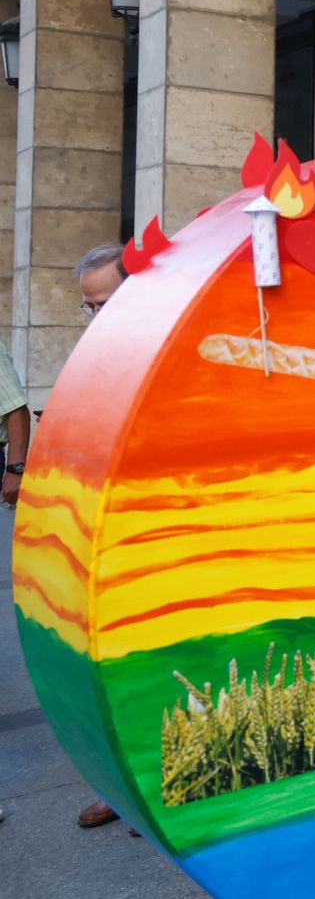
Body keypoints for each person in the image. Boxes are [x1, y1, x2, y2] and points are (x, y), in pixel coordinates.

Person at [70, 242, 127, 830]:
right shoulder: (98, 345)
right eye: (89, 307)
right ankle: (118, 788)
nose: (97, 316)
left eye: (105, 301)